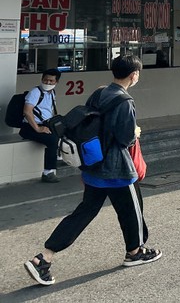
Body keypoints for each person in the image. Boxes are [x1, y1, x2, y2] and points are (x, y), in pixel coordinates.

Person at [24, 55, 161, 287]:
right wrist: (135, 133)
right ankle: (135, 251)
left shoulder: (99, 93)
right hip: (117, 168)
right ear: (134, 75)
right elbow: (126, 138)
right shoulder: (125, 101)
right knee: (132, 211)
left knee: (84, 213)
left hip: (93, 165)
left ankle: (43, 258)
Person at [19, 68, 61, 183]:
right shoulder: (35, 92)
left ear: (56, 82)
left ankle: (58, 156)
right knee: (52, 140)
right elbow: (27, 112)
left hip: (44, 124)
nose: (48, 83)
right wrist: (37, 129)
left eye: (51, 81)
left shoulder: (52, 93)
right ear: (42, 79)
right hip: (29, 127)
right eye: (45, 80)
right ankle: (48, 172)